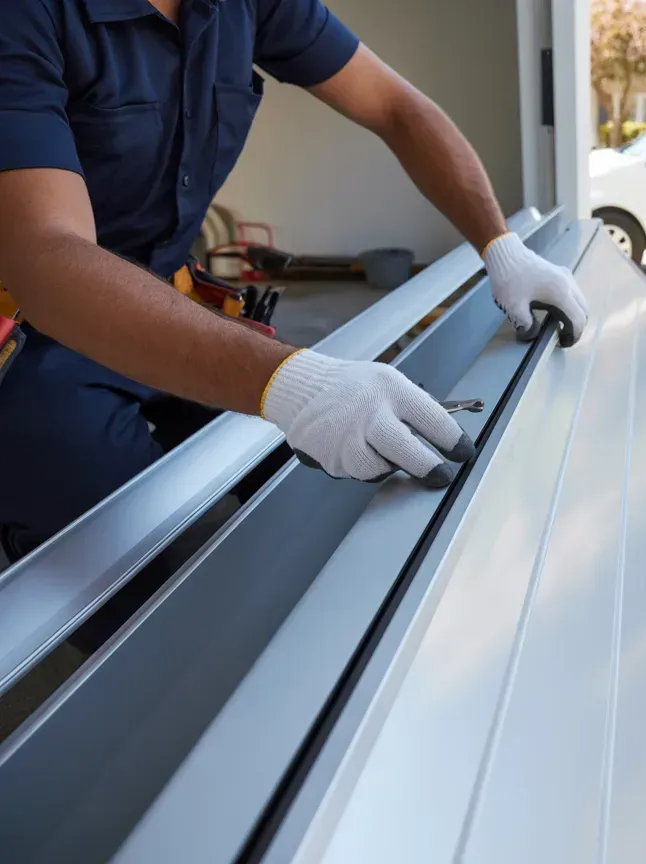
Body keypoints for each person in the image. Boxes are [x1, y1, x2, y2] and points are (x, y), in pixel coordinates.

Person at [0, 0, 591, 566]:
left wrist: (503, 249)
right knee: (130, 579)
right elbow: (47, 256)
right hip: (37, 335)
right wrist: (288, 380)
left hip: (176, 302)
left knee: (307, 487)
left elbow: (393, 105)